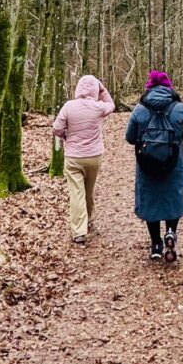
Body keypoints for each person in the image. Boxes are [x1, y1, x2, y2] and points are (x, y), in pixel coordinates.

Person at [125, 70, 183, 262]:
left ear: (149, 86)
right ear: (168, 87)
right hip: (174, 164)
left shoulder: (140, 109)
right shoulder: (179, 108)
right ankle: (171, 232)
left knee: (150, 200)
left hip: (147, 165)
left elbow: (130, 138)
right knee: (173, 197)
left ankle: (156, 244)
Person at [52, 74, 115, 244]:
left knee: (76, 193)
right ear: (95, 90)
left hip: (73, 157)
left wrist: (67, 137)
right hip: (94, 156)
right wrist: (102, 90)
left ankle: (79, 230)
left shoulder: (68, 106)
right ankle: (89, 218)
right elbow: (111, 104)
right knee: (88, 190)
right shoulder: (99, 107)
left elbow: (56, 128)